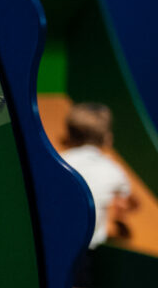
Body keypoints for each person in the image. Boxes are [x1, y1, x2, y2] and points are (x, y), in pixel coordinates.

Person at [59, 101, 138, 252]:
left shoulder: (62, 160)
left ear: (69, 136)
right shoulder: (114, 170)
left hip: (55, 237)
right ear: (108, 139)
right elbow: (122, 207)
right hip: (87, 247)